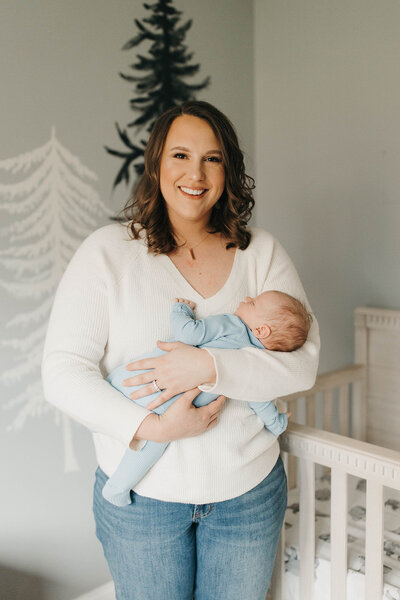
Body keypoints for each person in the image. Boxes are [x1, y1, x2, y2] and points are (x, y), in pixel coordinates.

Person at [42, 100, 320, 600]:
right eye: (181, 155)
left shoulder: (262, 254)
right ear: (156, 163)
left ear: (228, 170)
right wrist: (155, 428)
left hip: (247, 497)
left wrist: (208, 365)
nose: (196, 173)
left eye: (213, 158)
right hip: (143, 504)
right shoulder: (107, 253)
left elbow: (301, 364)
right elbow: (63, 372)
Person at [102, 291, 312, 506]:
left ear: (261, 329)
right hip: (169, 403)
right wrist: (276, 422)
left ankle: (117, 482)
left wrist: (181, 310)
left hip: (161, 394)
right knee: (151, 446)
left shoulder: (233, 325)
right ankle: (118, 487)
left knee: (130, 392)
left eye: (254, 303)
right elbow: (260, 399)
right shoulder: (258, 364)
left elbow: (189, 334)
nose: (247, 298)